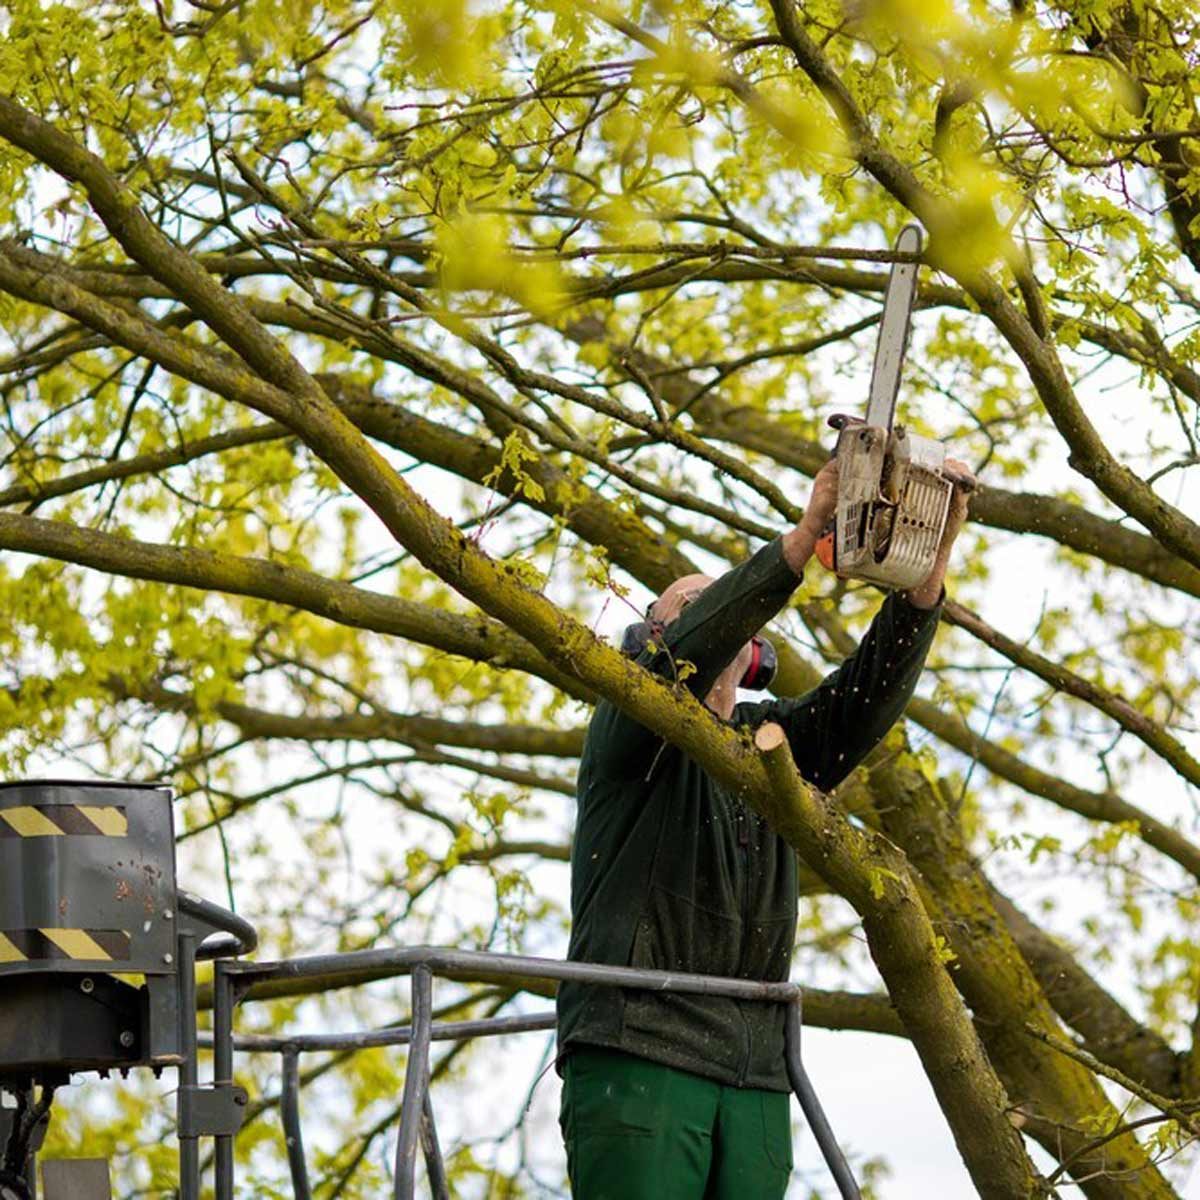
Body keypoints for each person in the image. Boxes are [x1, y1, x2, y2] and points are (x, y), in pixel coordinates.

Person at [556, 456, 973, 1199]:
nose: (717, 612)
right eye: (697, 603)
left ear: (753, 659)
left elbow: (860, 705)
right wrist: (805, 534)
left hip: (754, 1069)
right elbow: (684, 655)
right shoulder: (627, 721)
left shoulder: (768, 741)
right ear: (655, 636)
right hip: (636, 1045)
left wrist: (924, 575)